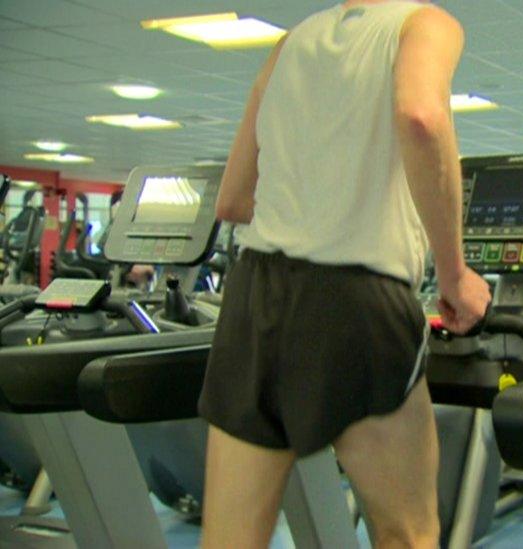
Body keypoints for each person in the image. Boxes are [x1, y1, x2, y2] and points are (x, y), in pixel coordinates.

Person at [196, 1, 491, 547]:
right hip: (355, 303)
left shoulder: (291, 42)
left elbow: (234, 199)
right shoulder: (425, 23)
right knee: (408, 533)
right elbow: (421, 116)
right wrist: (454, 275)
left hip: (255, 295)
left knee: (228, 540)